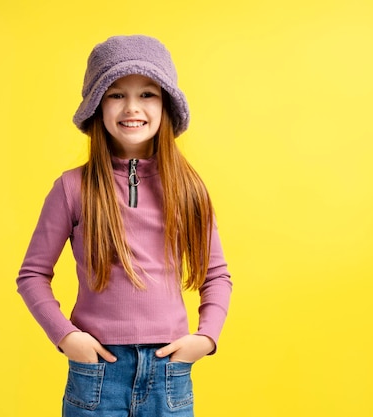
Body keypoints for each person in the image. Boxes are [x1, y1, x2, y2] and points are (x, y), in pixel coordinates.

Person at [16, 35, 232, 417]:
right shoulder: (71, 188)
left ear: (166, 105)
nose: (132, 107)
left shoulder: (189, 188)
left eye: (147, 94)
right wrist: (67, 337)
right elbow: (32, 274)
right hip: (96, 373)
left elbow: (216, 274)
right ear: (97, 105)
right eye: (116, 94)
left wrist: (206, 337)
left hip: (170, 373)